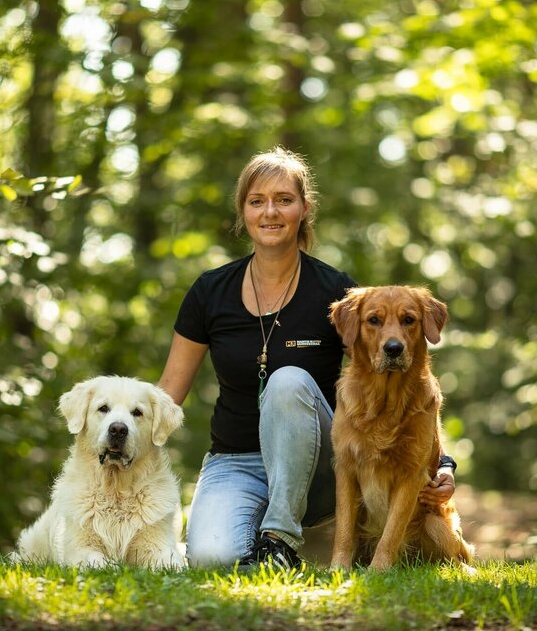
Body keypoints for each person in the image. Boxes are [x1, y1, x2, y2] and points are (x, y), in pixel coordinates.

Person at [158, 146, 456, 569]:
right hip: (236, 461)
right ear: (243, 212)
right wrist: (121, 438)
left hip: (318, 464)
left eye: (284, 199)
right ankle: (264, 549)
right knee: (210, 558)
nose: (270, 212)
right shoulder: (210, 291)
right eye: (256, 201)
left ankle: (279, 538)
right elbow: (169, 391)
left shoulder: (337, 291)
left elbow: (402, 377)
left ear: (304, 208)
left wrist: (442, 462)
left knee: (288, 381)